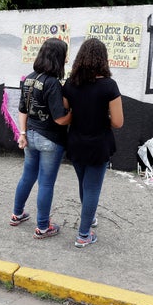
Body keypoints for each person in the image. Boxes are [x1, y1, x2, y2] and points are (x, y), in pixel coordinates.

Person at [62, 38, 124, 248]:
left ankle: (89, 219)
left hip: (76, 142)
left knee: (84, 184)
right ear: (103, 59)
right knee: (92, 189)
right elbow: (118, 122)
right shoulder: (109, 85)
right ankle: (83, 234)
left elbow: (66, 113)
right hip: (99, 144)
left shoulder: (70, 84)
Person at [10, 38, 71, 238]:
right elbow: (61, 119)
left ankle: (17, 214)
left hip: (31, 136)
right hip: (50, 140)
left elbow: (22, 110)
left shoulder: (28, 78)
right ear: (58, 58)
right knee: (46, 183)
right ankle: (43, 227)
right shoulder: (52, 83)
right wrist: (75, 113)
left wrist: (22, 133)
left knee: (27, 176)